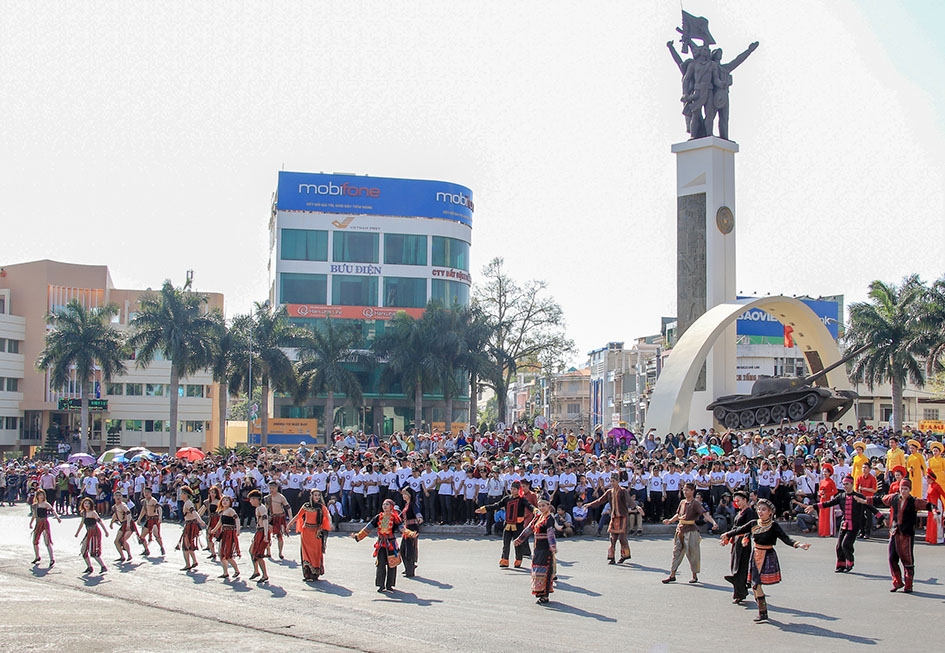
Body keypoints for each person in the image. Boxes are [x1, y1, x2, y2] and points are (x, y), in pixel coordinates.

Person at [721, 498, 810, 623]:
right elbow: (739, 530)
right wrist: (727, 534)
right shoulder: (753, 523)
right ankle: (762, 612)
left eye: (763, 510)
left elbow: (786, 538)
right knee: (755, 584)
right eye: (758, 509)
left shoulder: (773, 526)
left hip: (767, 556)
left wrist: (798, 544)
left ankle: (763, 612)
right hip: (756, 555)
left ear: (770, 512)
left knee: (756, 584)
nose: (760, 512)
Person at [807, 475, 876, 573]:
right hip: (845, 524)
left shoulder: (858, 496)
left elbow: (870, 507)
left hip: (854, 525)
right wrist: (814, 506)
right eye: (843, 484)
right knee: (839, 546)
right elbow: (829, 503)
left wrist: (880, 517)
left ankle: (850, 561)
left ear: (852, 484)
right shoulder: (841, 496)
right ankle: (841, 565)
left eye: (847, 484)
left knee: (846, 544)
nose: (845, 486)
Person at [879, 478, 938, 593]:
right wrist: (864, 500)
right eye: (902, 488)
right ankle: (897, 582)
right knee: (892, 558)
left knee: (908, 561)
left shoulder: (914, 501)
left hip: (907, 534)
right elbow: (879, 499)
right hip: (895, 532)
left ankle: (909, 584)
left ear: (909, 490)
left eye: (906, 489)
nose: (903, 491)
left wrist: (935, 512)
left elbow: (929, 506)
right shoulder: (894, 498)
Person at [352, 498, 415, 593]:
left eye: (387, 504)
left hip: (391, 543)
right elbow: (368, 528)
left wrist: (410, 533)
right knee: (380, 564)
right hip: (381, 544)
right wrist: (358, 536)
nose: (384, 506)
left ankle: (389, 585)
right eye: (383, 505)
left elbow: (402, 528)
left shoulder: (395, 518)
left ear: (391, 507)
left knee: (392, 564)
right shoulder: (378, 517)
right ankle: (381, 585)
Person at [662, 482, 718, 584]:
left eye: (687, 490)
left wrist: (713, 522)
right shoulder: (682, 502)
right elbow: (678, 515)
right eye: (684, 490)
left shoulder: (695, 503)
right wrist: (670, 521)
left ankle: (694, 575)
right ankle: (672, 574)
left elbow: (705, 514)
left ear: (692, 491)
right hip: (680, 529)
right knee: (676, 552)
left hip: (691, 530)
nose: (685, 492)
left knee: (692, 553)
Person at [475, 481, 535, 568]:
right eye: (512, 489)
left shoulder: (522, 499)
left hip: (518, 525)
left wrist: (535, 510)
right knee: (505, 543)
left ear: (518, 490)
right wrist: (484, 509)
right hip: (507, 524)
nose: (512, 491)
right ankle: (504, 560)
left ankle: (518, 560)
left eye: (514, 489)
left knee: (518, 544)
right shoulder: (507, 499)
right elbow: (496, 505)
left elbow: (529, 506)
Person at [513, 498, 557, 605]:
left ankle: (545, 595)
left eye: (543, 505)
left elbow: (550, 533)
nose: (541, 508)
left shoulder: (549, 518)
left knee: (545, 571)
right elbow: (529, 528)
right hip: (537, 548)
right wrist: (520, 539)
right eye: (540, 506)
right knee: (537, 571)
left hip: (545, 548)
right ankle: (540, 592)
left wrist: (553, 546)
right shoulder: (538, 517)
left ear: (548, 506)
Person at [584, 471, 633, 565]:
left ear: (618, 481)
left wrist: (637, 507)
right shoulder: (609, 492)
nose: (612, 483)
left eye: (614, 481)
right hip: (614, 517)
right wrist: (589, 504)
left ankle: (624, 555)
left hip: (623, 517)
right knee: (612, 538)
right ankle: (612, 557)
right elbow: (600, 500)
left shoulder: (623, 491)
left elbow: (629, 500)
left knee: (622, 538)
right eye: (611, 481)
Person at [723, 490, 756, 604]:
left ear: (745, 500)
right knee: (735, 564)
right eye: (735, 500)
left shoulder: (749, 512)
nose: (737, 502)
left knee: (741, 567)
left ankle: (740, 593)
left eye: (739, 500)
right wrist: (727, 538)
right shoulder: (739, 513)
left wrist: (747, 537)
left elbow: (750, 526)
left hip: (743, 542)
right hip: (736, 540)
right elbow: (734, 527)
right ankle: (739, 588)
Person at [291, 489, 331, 582]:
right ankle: (307, 573)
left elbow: (327, 515)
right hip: (306, 532)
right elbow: (298, 516)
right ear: (311, 496)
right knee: (306, 552)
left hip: (316, 532)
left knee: (315, 552)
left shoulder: (321, 507)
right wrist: (289, 524)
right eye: (315, 495)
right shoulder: (306, 506)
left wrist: (330, 523)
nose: (317, 497)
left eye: (318, 495)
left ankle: (315, 573)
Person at [209, 495, 241, 580]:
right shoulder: (222, 511)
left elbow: (237, 519)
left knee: (228, 555)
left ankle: (237, 570)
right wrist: (214, 530)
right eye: (223, 500)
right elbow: (220, 522)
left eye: (227, 500)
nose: (225, 502)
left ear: (230, 502)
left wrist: (238, 530)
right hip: (224, 532)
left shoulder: (231, 510)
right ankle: (225, 572)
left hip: (230, 533)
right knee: (221, 553)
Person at [75, 496, 109, 575]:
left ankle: (103, 566)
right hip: (88, 533)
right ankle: (89, 567)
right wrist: (77, 532)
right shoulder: (83, 513)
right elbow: (82, 523)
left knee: (93, 551)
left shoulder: (93, 513)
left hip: (94, 533)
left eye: (88, 503)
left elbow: (100, 522)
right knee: (83, 550)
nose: (86, 505)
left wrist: (106, 531)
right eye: (85, 503)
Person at [29, 489, 62, 567]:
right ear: (37, 496)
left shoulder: (46, 504)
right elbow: (34, 515)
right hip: (38, 523)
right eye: (40, 495)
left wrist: (58, 518)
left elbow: (53, 511)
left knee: (47, 541)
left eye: (42, 495)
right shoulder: (35, 505)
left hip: (44, 523)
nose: (41, 496)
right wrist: (31, 523)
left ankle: (52, 559)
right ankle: (37, 556)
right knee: (35, 541)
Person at [179, 486, 204, 572]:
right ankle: (194, 561)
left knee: (185, 546)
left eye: (182, 493)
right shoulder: (187, 502)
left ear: (185, 495)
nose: (180, 494)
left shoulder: (188, 503)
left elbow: (194, 512)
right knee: (189, 544)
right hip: (190, 524)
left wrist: (200, 521)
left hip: (190, 525)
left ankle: (188, 564)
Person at [248, 489, 270, 583]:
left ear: (256, 499)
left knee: (259, 554)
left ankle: (265, 575)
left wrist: (265, 535)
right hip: (259, 531)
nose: (250, 501)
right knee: (251, 551)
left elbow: (265, 521)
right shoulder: (258, 508)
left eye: (252, 499)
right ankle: (256, 571)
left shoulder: (261, 508)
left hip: (262, 531)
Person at [136, 486, 166, 556]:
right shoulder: (145, 501)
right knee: (142, 536)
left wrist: (160, 517)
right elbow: (143, 511)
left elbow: (159, 508)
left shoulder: (153, 500)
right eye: (145, 492)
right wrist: (139, 519)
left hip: (154, 520)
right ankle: (146, 550)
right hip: (148, 519)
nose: (146, 494)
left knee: (156, 535)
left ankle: (162, 547)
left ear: (150, 493)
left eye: (148, 492)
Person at [110, 492, 138, 564]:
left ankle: (129, 555)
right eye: (116, 495)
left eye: (120, 495)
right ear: (114, 497)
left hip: (128, 524)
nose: (118, 497)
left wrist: (128, 524)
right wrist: (111, 523)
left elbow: (128, 513)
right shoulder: (115, 506)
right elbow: (116, 514)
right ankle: (122, 556)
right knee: (116, 541)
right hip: (123, 525)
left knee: (123, 540)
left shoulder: (123, 505)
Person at [399, 487, 422, 578]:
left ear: (409, 495)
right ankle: (409, 567)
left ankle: (410, 571)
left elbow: (417, 513)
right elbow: (399, 517)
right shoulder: (406, 505)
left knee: (409, 550)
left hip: (412, 529)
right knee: (402, 550)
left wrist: (420, 518)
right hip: (406, 529)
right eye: (403, 494)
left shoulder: (412, 504)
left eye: (405, 494)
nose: (403, 496)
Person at [266, 481, 292, 560]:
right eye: (270, 488)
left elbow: (288, 507)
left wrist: (291, 518)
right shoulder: (268, 498)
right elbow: (265, 509)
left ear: (277, 488)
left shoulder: (281, 497)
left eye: (273, 488)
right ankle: (268, 551)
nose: (271, 490)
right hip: (272, 517)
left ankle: (280, 552)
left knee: (279, 536)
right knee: (267, 534)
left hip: (280, 518)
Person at [817, 463, 838, 538]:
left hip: (829, 499)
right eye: (824, 472)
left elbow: (835, 491)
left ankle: (829, 531)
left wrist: (828, 494)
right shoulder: (822, 481)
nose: (824, 473)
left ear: (829, 473)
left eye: (826, 472)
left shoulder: (831, 481)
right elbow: (819, 490)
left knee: (828, 516)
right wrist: (821, 493)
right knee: (822, 515)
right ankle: (822, 531)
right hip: (822, 499)